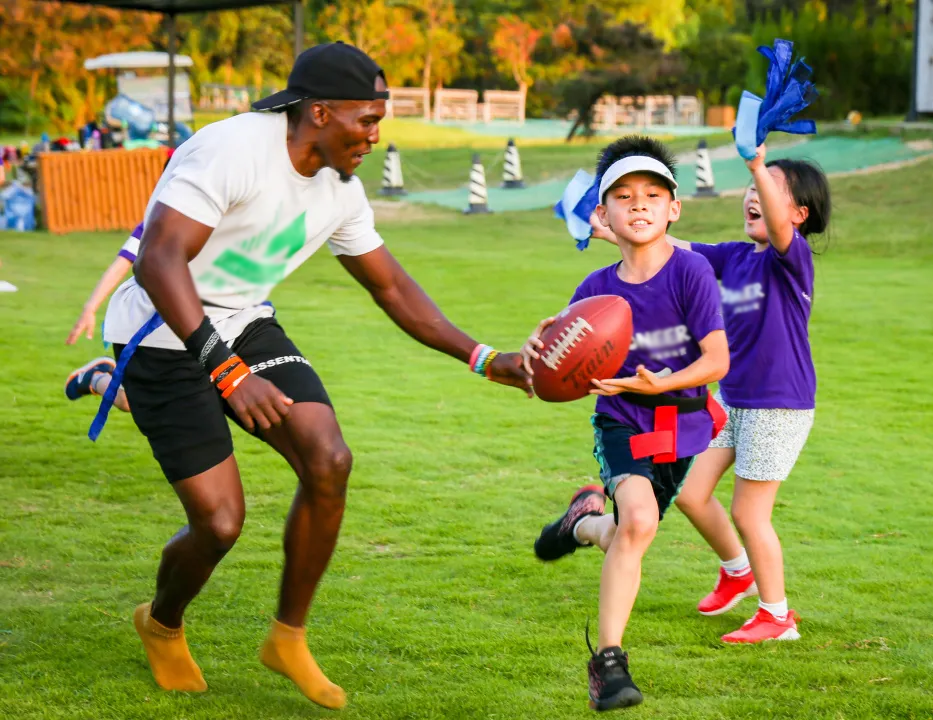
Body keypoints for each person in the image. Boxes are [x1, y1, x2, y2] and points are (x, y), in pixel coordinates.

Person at [98, 42, 530, 709]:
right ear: (320, 112)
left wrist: (483, 357)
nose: (375, 135)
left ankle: (287, 639)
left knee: (329, 459)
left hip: (242, 322)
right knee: (218, 524)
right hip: (160, 335)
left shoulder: (341, 189)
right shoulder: (232, 149)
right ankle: (161, 622)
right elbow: (158, 261)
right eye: (367, 119)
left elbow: (391, 288)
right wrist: (228, 372)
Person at [590, 145, 831, 643]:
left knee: (748, 511)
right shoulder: (735, 256)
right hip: (733, 399)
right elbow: (666, 243)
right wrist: (615, 230)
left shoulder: (794, 260)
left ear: (798, 214)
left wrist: (758, 167)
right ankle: (737, 571)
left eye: (768, 192)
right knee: (692, 495)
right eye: (749, 191)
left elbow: (781, 231)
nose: (753, 197)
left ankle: (777, 615)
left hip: (779, 404)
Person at [522, 136, 729, 711]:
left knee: (626, 534)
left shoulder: (690, 273)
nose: (639, 204)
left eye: (652, 194)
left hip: (682, 424)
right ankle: (608, 664)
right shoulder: (595, 289)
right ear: (602, 214)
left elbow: (717, 360)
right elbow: (556, 363)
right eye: (623, 195)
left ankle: (583, 523)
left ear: (673, 208)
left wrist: (661, 382)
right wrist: (538, 349)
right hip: (621, 420)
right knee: (637, 522)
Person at [64, 221, 146, 412]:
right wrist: (90, 307)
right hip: (146, 321)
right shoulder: (164, 213)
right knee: (131, 402)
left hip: (200, 323)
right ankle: (95, 377)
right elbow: (124, 261)